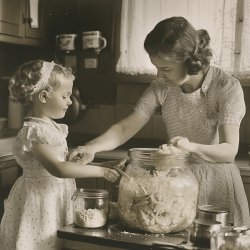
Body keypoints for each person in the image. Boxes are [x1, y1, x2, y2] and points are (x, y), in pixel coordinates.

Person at [69, 16, 250, 227]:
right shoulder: (162, 87)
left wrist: (189, 147)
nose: (159, 75)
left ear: (191, 62)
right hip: (178, 181)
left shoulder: (225, 87)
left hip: (217, 187)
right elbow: (125, 127)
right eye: (157, 68)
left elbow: (229, 150)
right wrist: (92, 147)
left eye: (166, 69)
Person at [0, 60, 122, 250]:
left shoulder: (52, 128)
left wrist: (101, 165)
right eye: (65, 96)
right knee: (41, 243)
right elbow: (57, 168)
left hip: (56, 197)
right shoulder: (34, 132)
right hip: (40, 202)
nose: (70, 102)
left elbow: (61, 163)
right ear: (43, 96)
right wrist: (100, 172)